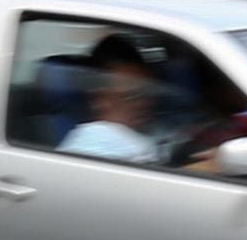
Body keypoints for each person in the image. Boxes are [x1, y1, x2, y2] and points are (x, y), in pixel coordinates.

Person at [58, 35, 168, 163]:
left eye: (147, 92)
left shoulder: (154, 130)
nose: (145, 102)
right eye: (132, 95)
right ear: (99, 99)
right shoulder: (92, 147)